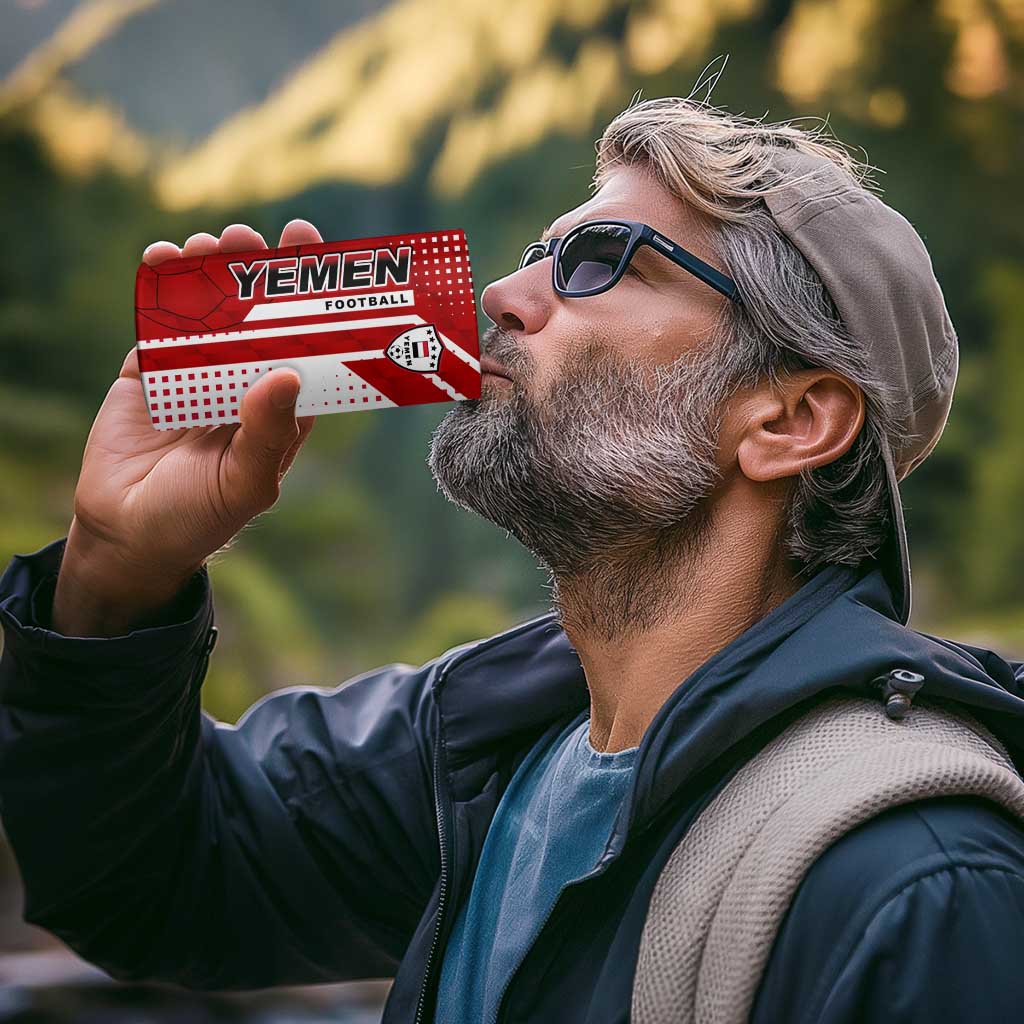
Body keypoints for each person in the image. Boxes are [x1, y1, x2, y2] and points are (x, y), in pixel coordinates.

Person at [2, 94, 1024, 1024]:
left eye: (599, 261)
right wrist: (114, 574)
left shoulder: (918, 884)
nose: (501, 293)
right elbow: (149, 880)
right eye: (540, 252)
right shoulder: (479, 749)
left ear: (790, 419)